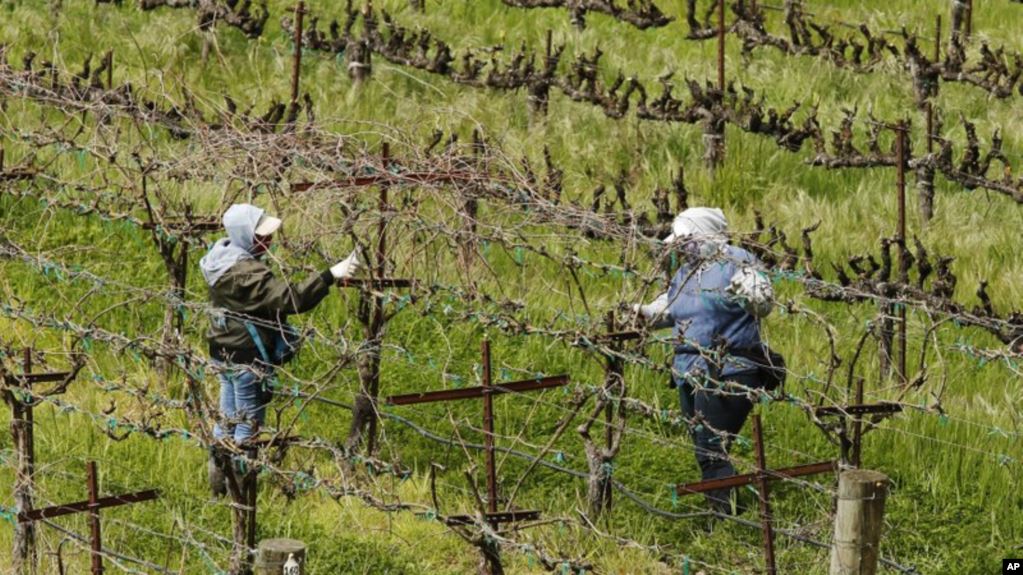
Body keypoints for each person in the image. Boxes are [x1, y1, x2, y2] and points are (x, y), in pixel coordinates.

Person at [199, 203, 363, 495]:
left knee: (226, 416)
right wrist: (329, 275)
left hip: (222, 349)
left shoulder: (219, 258)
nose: (269, 239)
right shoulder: (247, 273)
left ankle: (218, 476)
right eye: (261, 235)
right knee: (248, 423)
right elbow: (291, 299)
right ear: (245, 235)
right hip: (247, 354)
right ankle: (241, 488)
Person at [634, 207, 775, 514]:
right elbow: (672, 307)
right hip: (687, 371)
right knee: (704, 445)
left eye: (685, 239)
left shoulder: (737, 261)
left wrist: (752, 294)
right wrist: (644, 313)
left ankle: (724, 516)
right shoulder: (686, 272)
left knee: (711, 447)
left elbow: (763, 303)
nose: (680, 246)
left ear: (703, 234)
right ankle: (723, 508)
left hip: (729, 369)